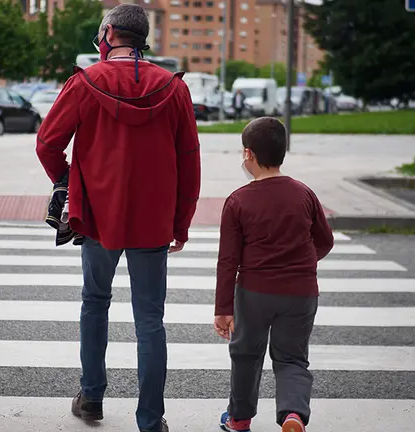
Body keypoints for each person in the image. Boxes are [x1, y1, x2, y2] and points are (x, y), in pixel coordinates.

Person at [35, 4, 201, 432]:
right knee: (150, 320)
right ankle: (150, 420)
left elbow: (47, 143)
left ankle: (91, 397)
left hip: (97, 216)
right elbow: (189, 162)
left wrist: (66, 179)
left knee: (95, 303)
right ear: (142, 38)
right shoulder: (174, 89)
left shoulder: (85, 82)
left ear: (108, 33)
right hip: (153, 219)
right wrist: (181, 222)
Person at [213, 117, 334, 432]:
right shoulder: (304, 194)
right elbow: (325, 241)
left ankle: (239, 419)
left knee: (246, 354)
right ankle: (293, 414)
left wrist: (223, 308)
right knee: (292, 358)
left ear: (249, 154)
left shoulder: (238, 200)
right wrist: (301, 265)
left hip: (254, 292)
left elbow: (228, 260)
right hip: (301, 292)